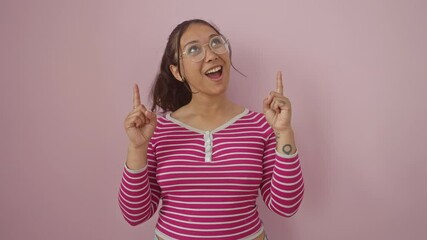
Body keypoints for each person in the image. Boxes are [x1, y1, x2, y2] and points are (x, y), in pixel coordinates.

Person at [118, 19, 304, 240]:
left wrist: (284, 132)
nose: (212, 54)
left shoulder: (260, 124)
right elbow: (135, 214)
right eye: (194, 49)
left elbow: (286, 206)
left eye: (216, 43)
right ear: (177, 72)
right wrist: (137, 148)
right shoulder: (157, 130)